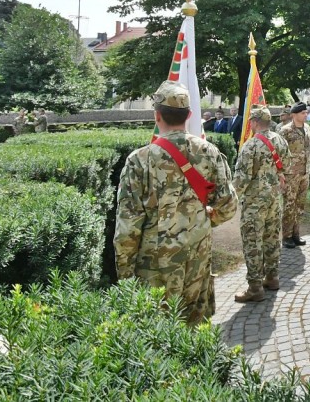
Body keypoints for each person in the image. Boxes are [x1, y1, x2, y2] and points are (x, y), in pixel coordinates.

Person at [113, 81, 237, 324]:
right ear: (189, 115)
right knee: (195, 328)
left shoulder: (139, 160)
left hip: (153, 264)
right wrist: (205, 219)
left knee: (157, 330)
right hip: (197, 256)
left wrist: (125, 276)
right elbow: (229, 206)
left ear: (157, 116)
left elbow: (127, 226)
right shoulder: (209, 152)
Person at [233, 106, 290, 302]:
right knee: (272, 238)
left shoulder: (250, 146)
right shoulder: (280, 140)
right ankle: (272, 278)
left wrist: (229, 200)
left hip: (255, 203)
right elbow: (287, 165)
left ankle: (255, 287)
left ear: (255, 122)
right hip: (274, 199)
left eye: (251, 121)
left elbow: (241, 179)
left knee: (253, 242)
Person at [279, 102, 310, 248]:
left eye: (306, 112)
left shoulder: (307, 128)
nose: (305, 115)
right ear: (294, 115)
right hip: (290, 174)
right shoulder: (285, 131)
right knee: (289, 205)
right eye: (302, 113)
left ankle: (295, 234)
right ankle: (286, 236)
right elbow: (279, 153)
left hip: (305, 172)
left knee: (300, 205)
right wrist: (280, 173)